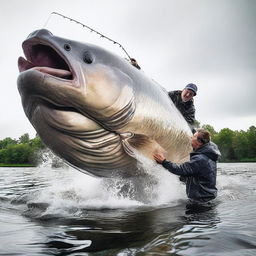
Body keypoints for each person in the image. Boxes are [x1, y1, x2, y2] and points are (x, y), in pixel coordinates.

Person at [153, 129, 221, 207]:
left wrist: (164, 162)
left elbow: (180, 170)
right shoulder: (209, 153)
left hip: (200, 203)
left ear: (199, 142)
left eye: (193, 137)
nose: (191, 138)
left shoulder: (200, 159)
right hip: (208, 199)